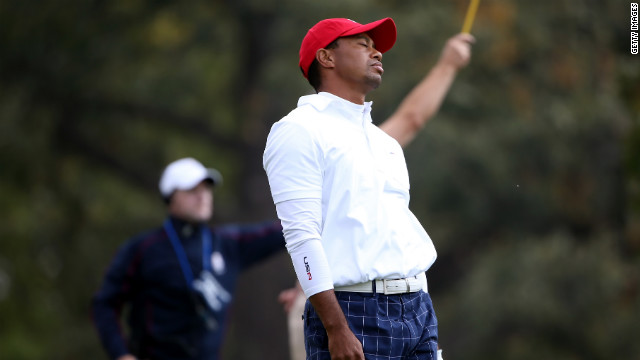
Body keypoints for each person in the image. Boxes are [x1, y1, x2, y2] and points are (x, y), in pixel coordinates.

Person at [263, 18, 473, 359]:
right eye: (362, 44)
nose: (376, 52)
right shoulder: (298, 130)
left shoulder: (381, 141)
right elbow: (302, 235)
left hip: (417, 307)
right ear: (326, 58)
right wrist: (335, 327)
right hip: (353, 312)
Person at [91, 157, 286, 360]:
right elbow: (104, 304)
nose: (203, 197)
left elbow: (284, 231)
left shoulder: (228, 244)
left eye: (206, 189)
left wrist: (315, 211)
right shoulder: (143, 249)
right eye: (193, 190)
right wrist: (120, 354)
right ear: (171, 197)